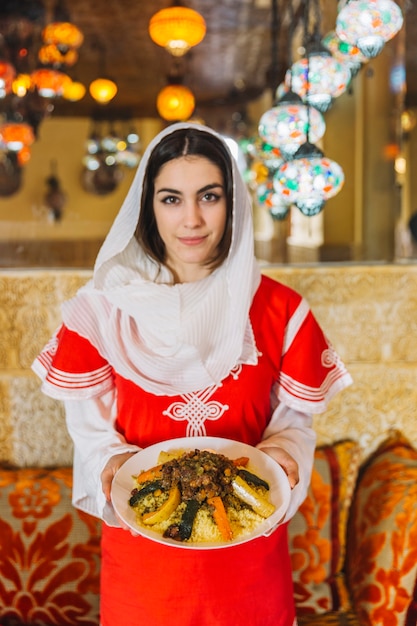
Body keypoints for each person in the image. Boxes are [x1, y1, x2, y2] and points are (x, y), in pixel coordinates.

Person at [32, 122, 352, 626]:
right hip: (145, 566)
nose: (193, 219)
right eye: (171, 199)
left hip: (248, 563)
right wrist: (113, 463)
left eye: (209, 195)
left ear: (233, 202)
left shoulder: (279, 310)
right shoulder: (103, 310)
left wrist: (282, 457)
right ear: (147, 206)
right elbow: (89, 432)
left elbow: (295, 425)